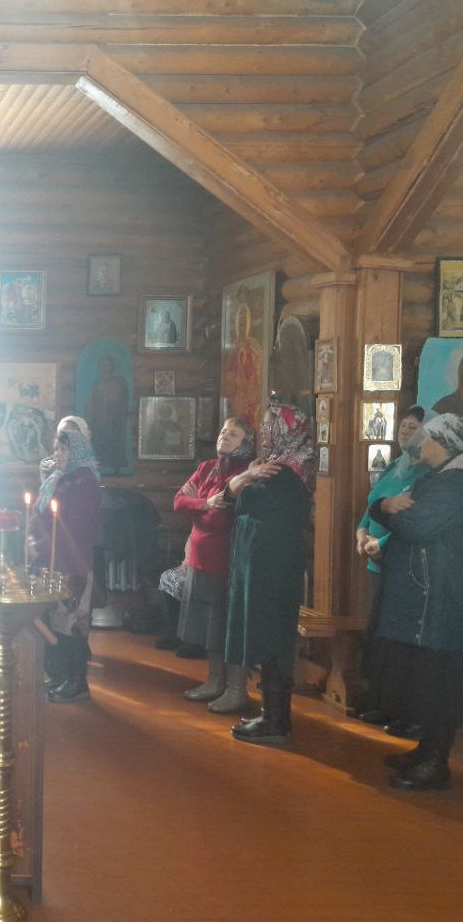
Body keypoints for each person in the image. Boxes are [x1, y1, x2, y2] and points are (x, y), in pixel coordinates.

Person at [368, 414, 463, 790]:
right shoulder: (440, 478)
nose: (420, 443)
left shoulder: (460, 485)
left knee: (439, 678)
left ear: (443, 443)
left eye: (427, 437)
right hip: (429, 590)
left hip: (441, 593)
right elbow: (391, 510)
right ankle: (425, 751)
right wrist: (384, 506)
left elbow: (417, 524)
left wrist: (386, 509)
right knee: (424, 676)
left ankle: (436, 762)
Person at [222, 399, 315, 746]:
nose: (264, 430)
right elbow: (230, 496)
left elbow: (243, 503)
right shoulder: (274, 464)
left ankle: (276, 721)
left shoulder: (287, 471)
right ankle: (271, 713)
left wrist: (245, 483)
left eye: (269, 423)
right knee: (265, 632)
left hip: (272, 567)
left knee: (273, 635)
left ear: (285, 428)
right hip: (262, 563)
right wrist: (247, 478)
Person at [353, 406, 429, 727]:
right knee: (380, 635)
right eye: (403, 426)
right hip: (377, 567)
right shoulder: (395, 466)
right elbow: (373, 505)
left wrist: (380, 545)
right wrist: (361, 533)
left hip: (401, 566)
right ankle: (381, 701)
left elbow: (414, 522)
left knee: (399, 638)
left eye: (413, 427)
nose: (404, 432)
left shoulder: (426, 475)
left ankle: (400, 707)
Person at [174, 417, 256, 713]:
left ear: (246, 443)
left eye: (234, 434)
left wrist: (200, 505)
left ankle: (236, 689)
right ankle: (214, 681)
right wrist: (205, 503)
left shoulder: (246, 473)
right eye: (223, 431)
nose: (225, 436)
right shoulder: (207, 467)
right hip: (200, 558)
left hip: (226, 560)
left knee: (227, 625)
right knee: (208, 625)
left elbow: (220, 519)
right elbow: (178, 501)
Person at [29, 428, 102, 703]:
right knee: (57, 623)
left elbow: (72, 525)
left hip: (74, 563)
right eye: (56, 448)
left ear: (77, 452)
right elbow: (40, 510)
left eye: (63, 449)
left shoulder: (85, 482)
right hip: (53, 560)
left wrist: (40, 543)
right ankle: (61, 676)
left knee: (73, 625)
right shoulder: (60, 477)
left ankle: (77, 683)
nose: (57, 454)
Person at [85, 355, 129, 472]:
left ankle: (116, 466)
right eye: (104, 365)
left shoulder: (119, 381)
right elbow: (91, 401)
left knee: (114, 442)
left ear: (112, 366)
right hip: (99, 418)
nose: (106, 367)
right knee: (100, 441)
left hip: (114, 419)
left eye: (108, 364)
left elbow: (124, 399)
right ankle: (103, 464)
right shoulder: (97, 383)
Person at [223, 301, 263, 428]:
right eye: (239, 322)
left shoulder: (253, 346)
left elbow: (257, 371)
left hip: (249, 395)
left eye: (244, 322)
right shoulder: (232, 347)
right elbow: (228, 373)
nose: (242, 325)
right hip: (236, 395)